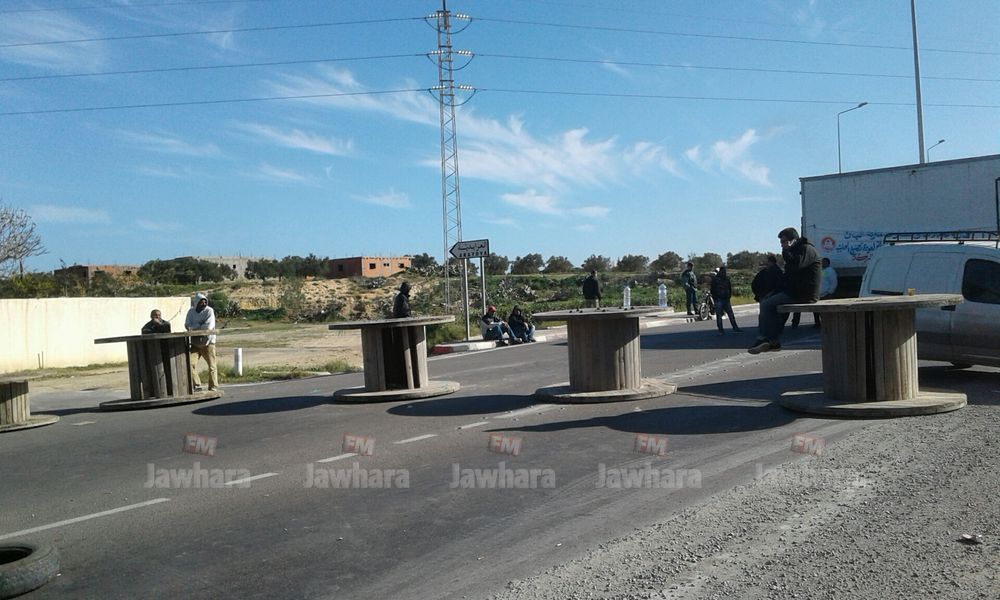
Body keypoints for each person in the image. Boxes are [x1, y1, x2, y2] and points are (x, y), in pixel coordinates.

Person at [749, 227, 821, 354]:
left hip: (805, 293)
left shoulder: (807, 249)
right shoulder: (796, 251)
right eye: (781, 242)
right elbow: (788, 276)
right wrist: (775, 292)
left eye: (784, 242)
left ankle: (766, 338)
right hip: (795, 291)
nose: (782, 245)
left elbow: (796, 265)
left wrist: (786, 251)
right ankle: (773, 340)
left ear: (793, 240)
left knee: (766, 305)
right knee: (768, 302)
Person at [185, 292, 220, 392]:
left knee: (212, 366)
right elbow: (187, 325)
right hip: (195, 343)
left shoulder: (209, 311)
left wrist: (195, 327)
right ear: (196, 303)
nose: (204, 304)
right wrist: (198, 326)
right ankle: (197, 385)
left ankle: (213, 386)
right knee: (190, 364)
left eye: (205, 302)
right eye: (201, 302)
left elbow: (208, 326)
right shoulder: (191, 312)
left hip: (208, 342)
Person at [792, 257, 837, 328]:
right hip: (818, 294)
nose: (822, 263)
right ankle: (817, 323)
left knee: (825, 311)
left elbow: (833, 283)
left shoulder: (830, 271)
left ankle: (827, 324)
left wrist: (830, 292)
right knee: (816, 310)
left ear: (827, 263)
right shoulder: (821, 270)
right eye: (821, 262)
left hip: (826, 294)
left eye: (824, 262)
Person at [709, 266, 742, 334]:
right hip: (718, 299)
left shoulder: (726, 279)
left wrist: (729, 295)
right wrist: (715, 298)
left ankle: (735, 328)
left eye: (725, 271)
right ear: (720, 271)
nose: (724, 272)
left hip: (726, 299)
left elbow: (729, 288)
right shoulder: (715, 279)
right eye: (723, 271)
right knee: (719, 315)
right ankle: (721, 330)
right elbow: (712, 289)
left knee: (731, 314)